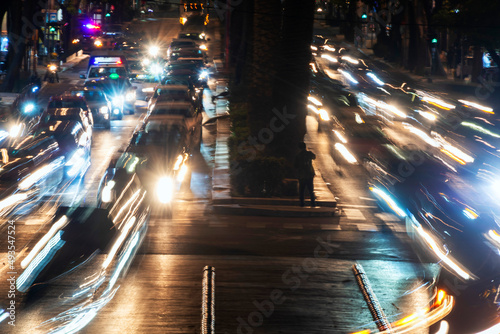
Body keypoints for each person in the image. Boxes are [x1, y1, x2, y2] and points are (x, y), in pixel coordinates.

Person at [294, 142, 316, 207]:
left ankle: (302, 203)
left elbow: (295, 165)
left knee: (302, 190)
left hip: (302, 175)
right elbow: (314, 157)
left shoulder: (298, 155)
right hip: (309, 174)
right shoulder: (309, 154)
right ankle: (313, 203)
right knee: (311, 190)